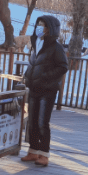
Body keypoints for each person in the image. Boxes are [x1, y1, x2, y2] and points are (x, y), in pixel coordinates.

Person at [21, 15, 68, 167]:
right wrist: (27, 76)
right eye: (38, 24)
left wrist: (45, 77)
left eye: (43, 25)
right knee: (33, 121)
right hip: (34, 88)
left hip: (47, 90)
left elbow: (63, 67)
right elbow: (33, 64)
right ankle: (33, 151)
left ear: (50, 29)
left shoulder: (56, 47)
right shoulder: (36, 44)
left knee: (42, 122)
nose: (39, 28)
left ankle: (44, 154)